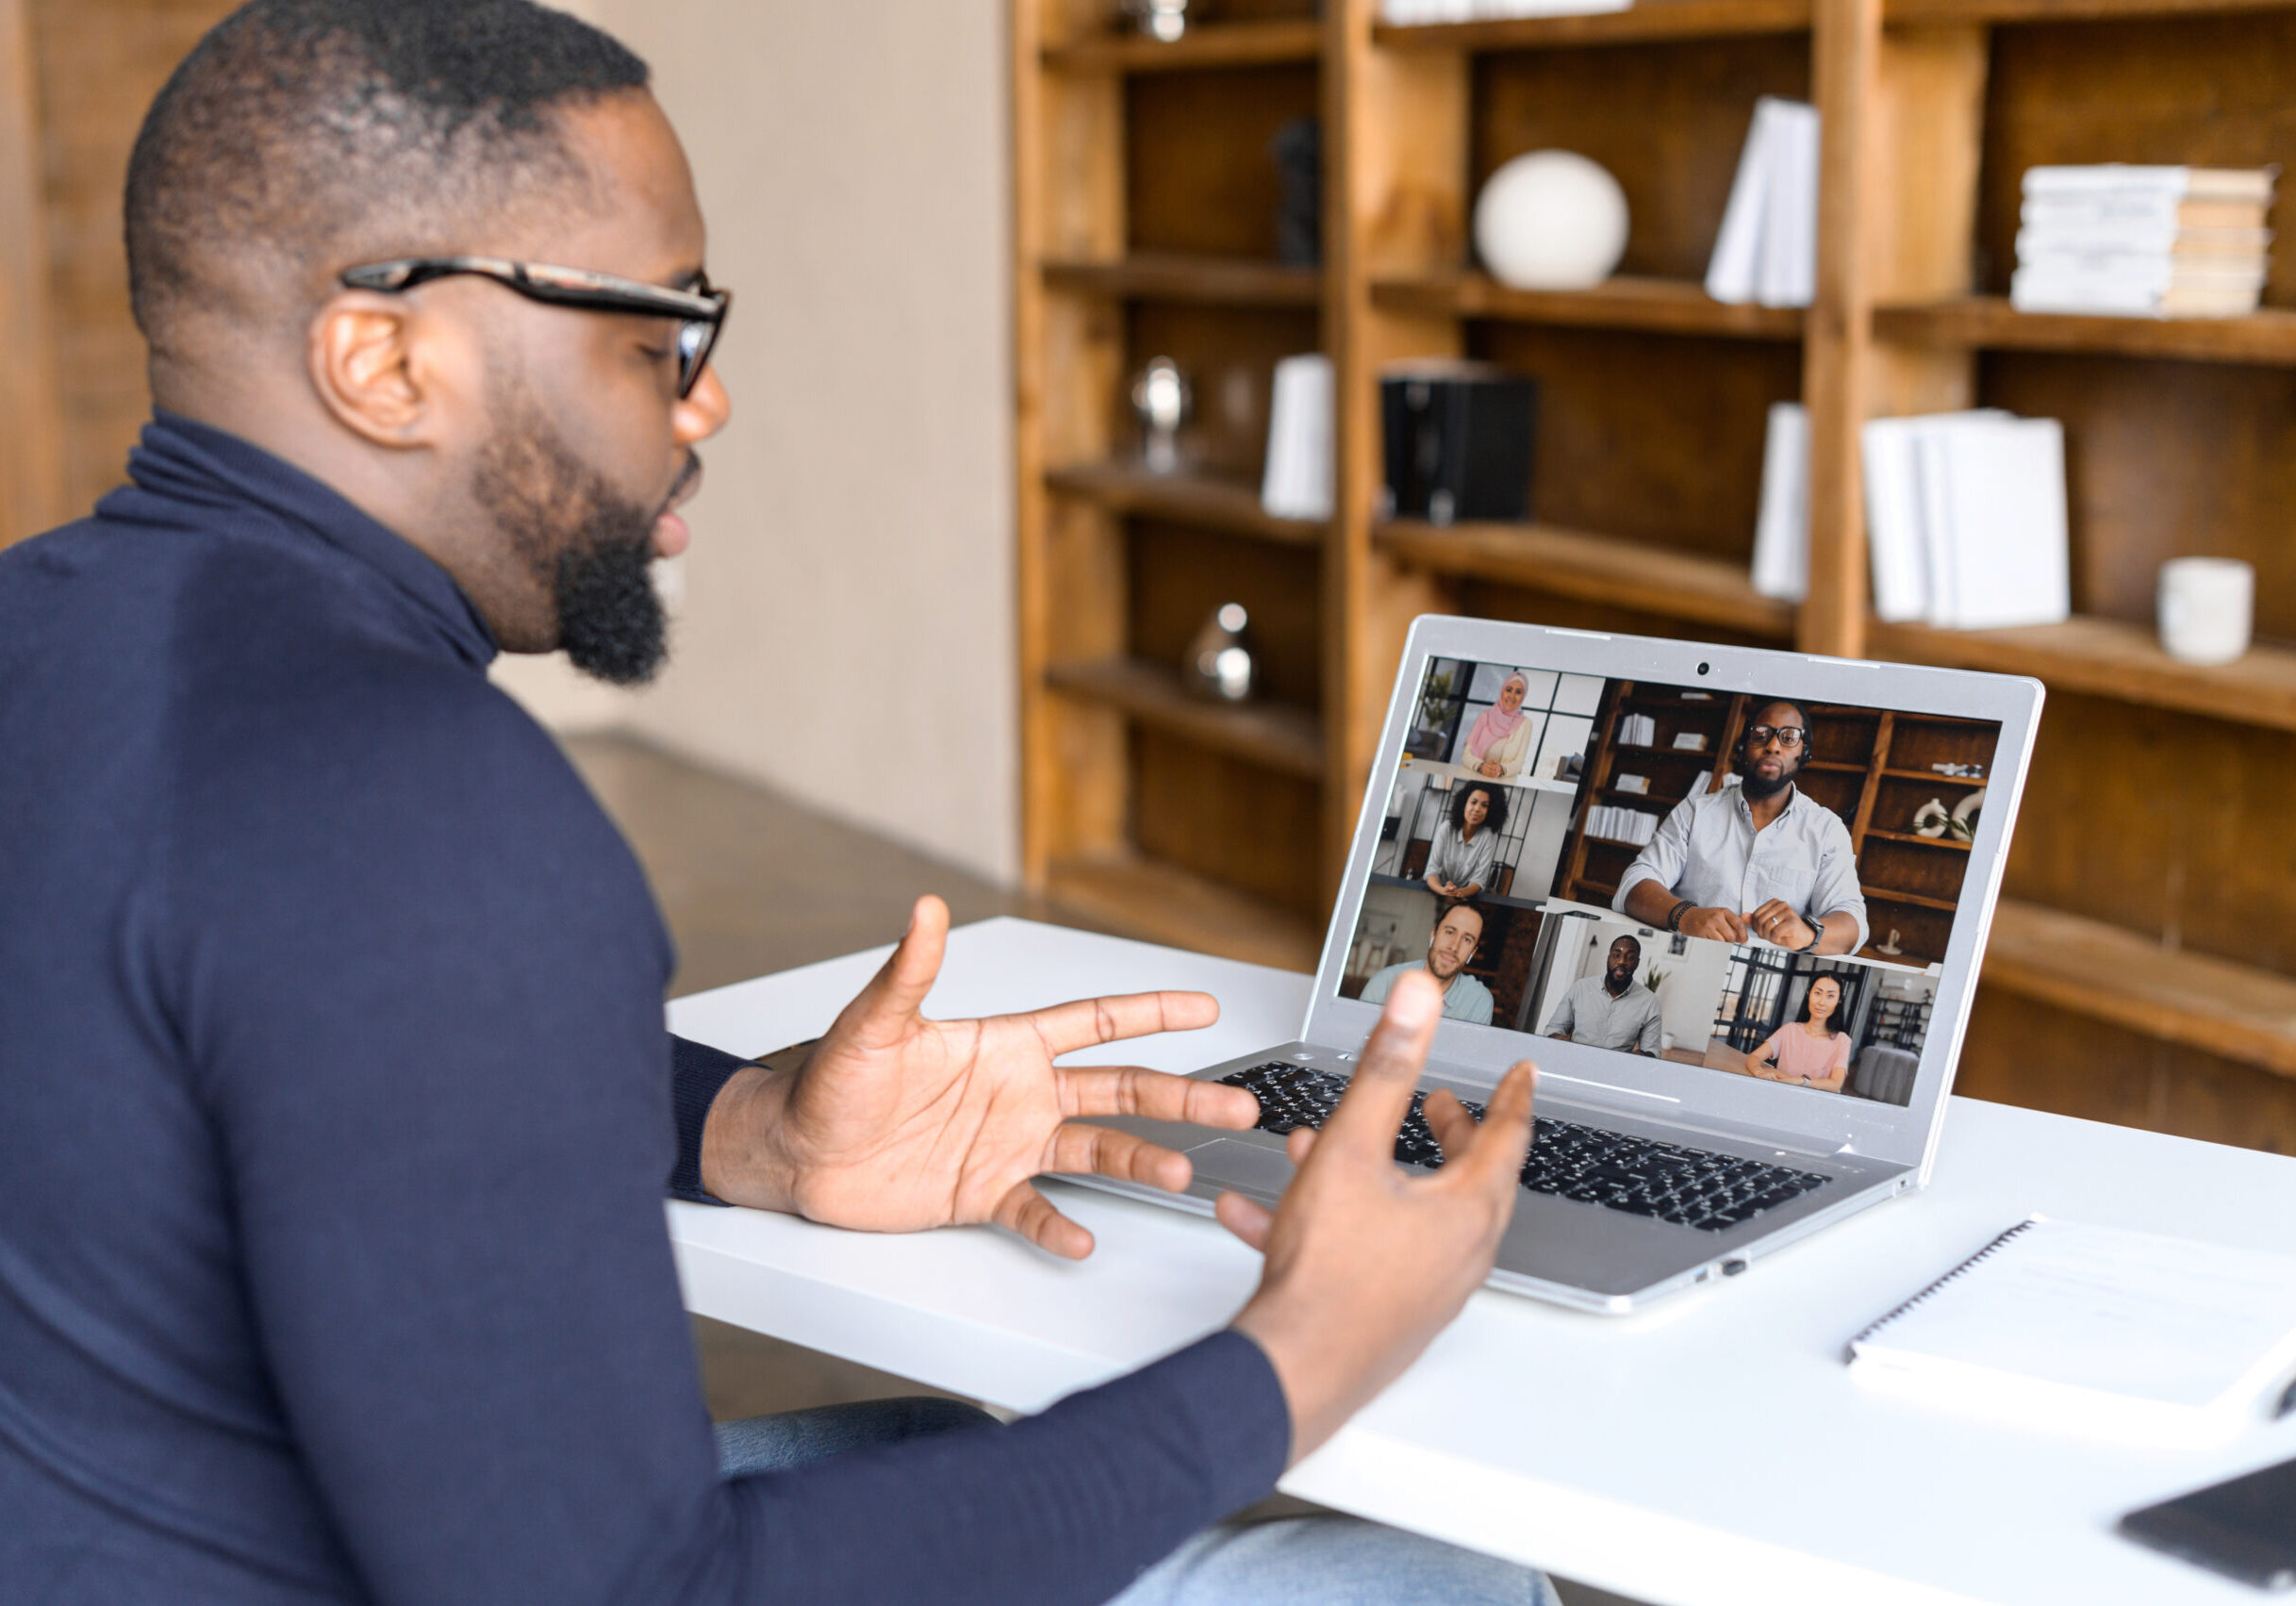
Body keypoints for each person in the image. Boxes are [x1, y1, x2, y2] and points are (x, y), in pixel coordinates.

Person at [0, 6, 1559, 1604]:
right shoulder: (431, 813)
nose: (704, 402)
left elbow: (240, 1047)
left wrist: (748, 1127)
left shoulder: (45, 637)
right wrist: (1302, 1350)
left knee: (985, 1451)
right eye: (653, 334)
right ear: (386, 361)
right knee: (1423, 1577)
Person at [1614, 699, 1868, 956]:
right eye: (1761, 735)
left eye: (1789, 737)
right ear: (1743, 746)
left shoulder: (1827, 830)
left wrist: (1809, 933)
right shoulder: (1695, 811)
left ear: (1804, 753)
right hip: (1688, 955)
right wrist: (1685, 915)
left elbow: (1853, 924)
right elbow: (1635, 884)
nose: (1772, 746)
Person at [1358, 900, 1495, 1025]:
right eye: (1449, 932)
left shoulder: (1478, 1001)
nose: (1454, 947)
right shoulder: (1385, 983)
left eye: (1467, 940)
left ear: (1472, 952)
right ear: (1433, 935)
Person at [1542, 934, 1663, 1056]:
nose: (1621, 961)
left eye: (1630, 957)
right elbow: (1553, 1029)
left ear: (1637, 963)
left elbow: (1652, 1051)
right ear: (1608, 958)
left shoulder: (1650, 1002)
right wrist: (1559, 1039)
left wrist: (1642, 1056)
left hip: (1615, 1069)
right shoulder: (1581, 988)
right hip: (1574, 1059)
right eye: (1616, 955)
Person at [1743, 973, 1853, 1092]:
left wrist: (1802, 1081)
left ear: (1839, 1001)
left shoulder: (1842, 1040)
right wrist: (1759, 1073)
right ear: (1808, 994)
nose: (1822, 1002)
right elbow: (1755, 1057)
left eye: (1830, 996)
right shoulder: (1790, 1030)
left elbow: (1836, 1084)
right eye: (1817, 993)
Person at [1423, 782, 1509, 899]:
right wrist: (1443, 890)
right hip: (1437, 891)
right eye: (1473, 802)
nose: (1477, 809)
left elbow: (1479, 881)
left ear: (1491, 811)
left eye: (1485, 805)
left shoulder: (1489, 836)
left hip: (1468, 897)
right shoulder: (1446, 828)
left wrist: (1460, 893)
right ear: (1464, 804)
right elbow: (1432, 871)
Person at [1461, 670, 1536, 780]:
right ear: (1502, 691)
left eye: (1518, 692)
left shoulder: (1525, 724)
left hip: (1501, 781)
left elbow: (1519, 763)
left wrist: (1500, 770)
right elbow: (1466, 755)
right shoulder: (1484, 716)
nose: (1511, 696)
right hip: (1476, 776)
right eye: (1509, 690)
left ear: (1523, 696)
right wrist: (1482, 766)